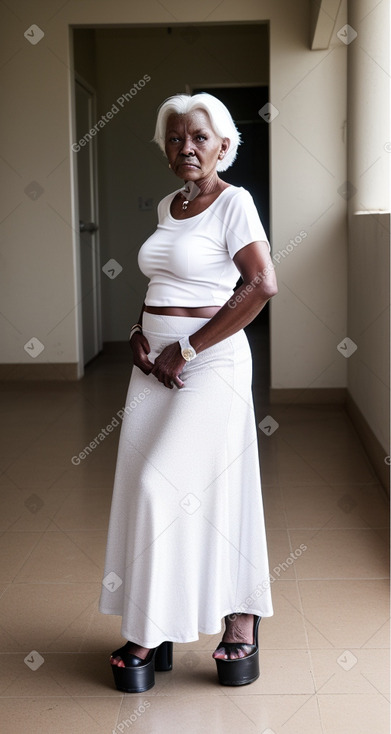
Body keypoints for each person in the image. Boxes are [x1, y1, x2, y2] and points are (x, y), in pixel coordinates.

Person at [99, 92, 278, 693]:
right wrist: (137, 334)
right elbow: (167, 281)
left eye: (199, 137)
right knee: (153, 487)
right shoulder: (169, 205)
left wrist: (189, 348)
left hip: (210, 365)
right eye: (176, 138)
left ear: (224, 145)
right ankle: (161, 620)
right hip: (153, 369)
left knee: (164, 485)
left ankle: (239, 615)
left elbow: (260, 285)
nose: (187, 147)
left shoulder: (235, 203)